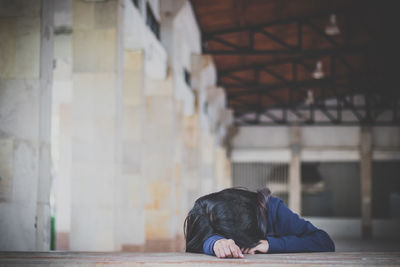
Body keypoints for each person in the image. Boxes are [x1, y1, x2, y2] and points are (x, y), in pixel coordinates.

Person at [184, 187, 335, 258]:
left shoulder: (271, 208)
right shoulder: (208, 211)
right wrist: (215, 242)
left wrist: (270, 245)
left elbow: (324, 242)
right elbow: (196, 241)